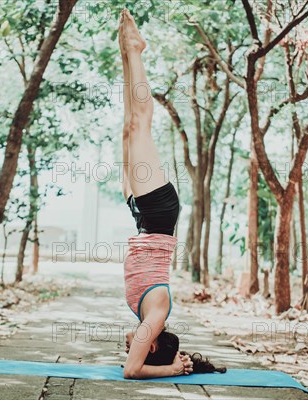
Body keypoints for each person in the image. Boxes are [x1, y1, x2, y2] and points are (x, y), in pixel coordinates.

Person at [118, 8, 226, 379]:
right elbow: (131, 372)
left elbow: (132, 360)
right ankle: (135, 50)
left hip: (142, 217)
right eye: (137, 345)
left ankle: (128, 54)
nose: (128, 343)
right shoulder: (155, 316)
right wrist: (174, 371)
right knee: (140, 124)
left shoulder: (146, 316)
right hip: (159, 216)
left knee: (128, 129)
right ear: (152, 346)